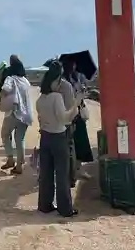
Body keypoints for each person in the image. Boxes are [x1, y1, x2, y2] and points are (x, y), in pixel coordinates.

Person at [35, 61, 84, 218]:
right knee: (62, 174)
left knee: (46, 174)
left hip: (45, 137)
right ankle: (65, 208)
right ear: (54, 81)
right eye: (58, 81)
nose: (59, 84)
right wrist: (76, 104)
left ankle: (45, 204)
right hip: (58, 137)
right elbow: (64, 119)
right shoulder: (56, 97)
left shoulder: (40, 99)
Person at [0, 55, 33, 174]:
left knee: (5, 134)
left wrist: (1, 98)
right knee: (20, 139)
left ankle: (10, 159)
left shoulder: (10, 79)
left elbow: (5, 90)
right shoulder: (26, 81)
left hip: (14, 112)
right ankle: (19, 166)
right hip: (26, 114)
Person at [62, 57, 94, 181]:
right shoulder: (64, 81)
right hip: (70, 115)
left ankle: (78, 169)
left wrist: (82, 91)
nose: (75, 66)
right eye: (73, 64)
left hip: (78, 114)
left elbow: (80, 94)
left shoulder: (76, 78)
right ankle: (72, 172)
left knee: (80, 143)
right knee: (71, 145)